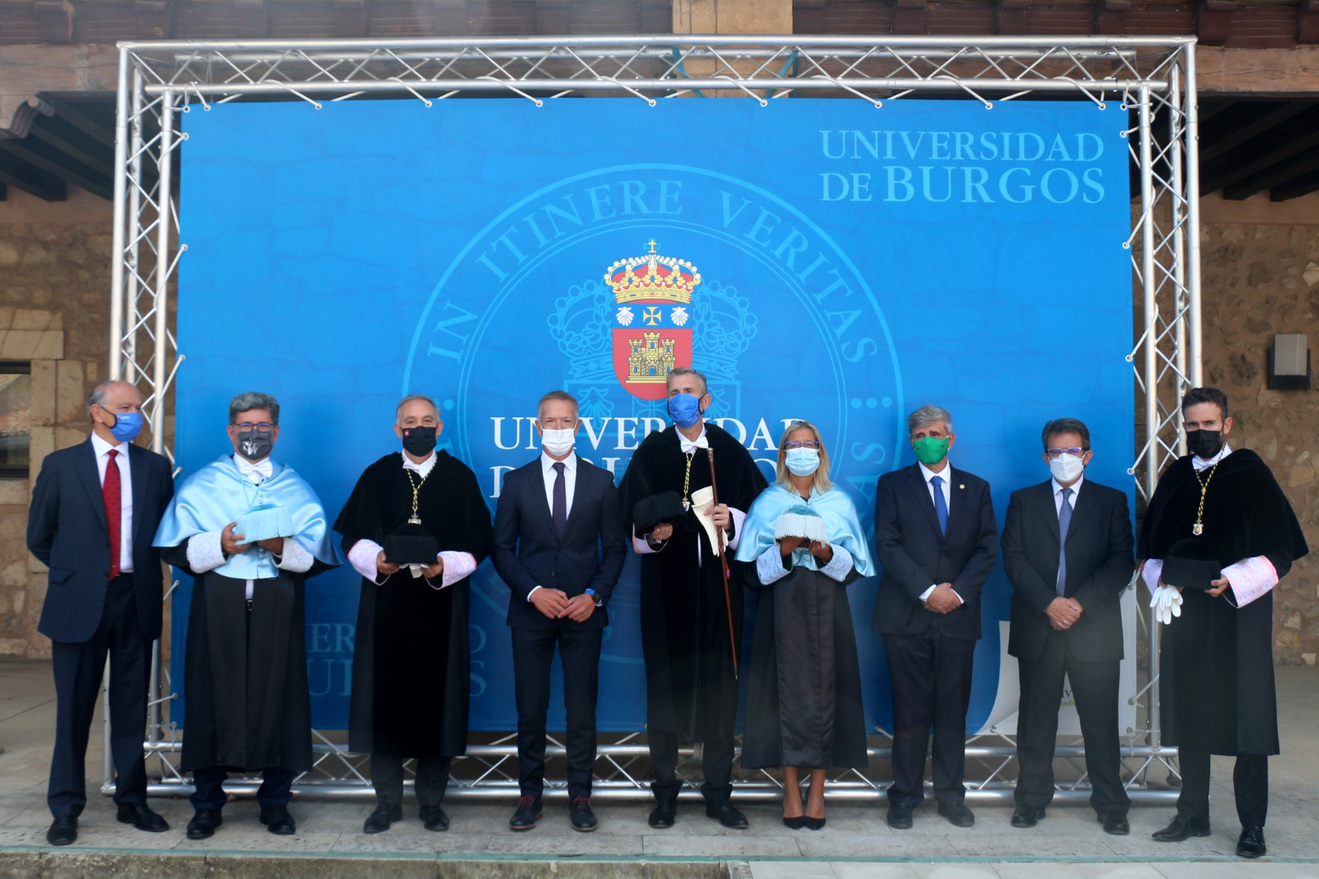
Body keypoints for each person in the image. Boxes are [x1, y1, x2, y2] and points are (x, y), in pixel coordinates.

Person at [154, 392, 340, 840]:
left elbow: (316, 557)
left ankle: (275, 803)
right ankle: (207, 805)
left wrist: (279, 547)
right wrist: (220, 542)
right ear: (230, 431)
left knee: (280, 696)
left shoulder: (295, 486)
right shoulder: (203, 484)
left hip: (278, 601)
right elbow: (175, 549)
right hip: (219, 600)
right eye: (245, 426)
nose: (253, 434)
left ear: (276, 432)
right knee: (211, 695)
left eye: (262, 427)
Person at [1139, 387, 1308, 859]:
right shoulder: (1174, 477)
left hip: (1239, 616)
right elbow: (1149, 550)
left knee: (1247, 717)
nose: (1200, 433)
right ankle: (1192, 813)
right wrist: (1164, 583)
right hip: (1188, 619)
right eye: (1191, 426)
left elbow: (1281, 552)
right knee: (1191, 713)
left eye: (1208, 425)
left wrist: (1234, 580)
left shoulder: (1251, 473)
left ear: (1227, 425)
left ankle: (1252, 824)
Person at [335, 395, 493, 834]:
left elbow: (479, 542)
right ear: (397, 428)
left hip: (440, 604)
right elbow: (353, 537)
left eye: (427, 421)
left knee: (437, 703)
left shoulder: (460, 478)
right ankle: (386, 803)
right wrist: (377, 562)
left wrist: (446, 566)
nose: (418, 428)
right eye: (410, 422)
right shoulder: (377, 474)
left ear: (439, 429)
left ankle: (431, 803)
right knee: (382, 703)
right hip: (387, 606)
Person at [26, 381, 174, 846]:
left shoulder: (154, 468)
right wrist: (81, 574)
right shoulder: (61, 466)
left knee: (132, 706)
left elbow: (165, 532)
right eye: (125, 407)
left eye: (139, 407)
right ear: (98, 413)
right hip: (79, 602)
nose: (136, 414)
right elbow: (39, 536)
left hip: (135, 597)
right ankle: (66, 807)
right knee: (74, 708)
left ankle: (132, 800)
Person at [618, 367, 767, 829]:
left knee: (721, 691)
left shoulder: (728, 450)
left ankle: (718, 792)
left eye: (689, 393)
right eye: (673, 393)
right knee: (664, 691)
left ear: (706, 401)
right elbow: (628, 519)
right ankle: (664, 792)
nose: (680, 399)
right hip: (666, 593)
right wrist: (654, 533)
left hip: (719, 592)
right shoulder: (653, 451)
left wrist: (734, 519)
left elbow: (762, 512)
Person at [491, 390, 627, 832]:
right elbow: (500, 548)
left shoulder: (601, 483)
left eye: (566, 421)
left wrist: (594, 596)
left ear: (580, 427)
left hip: (584, 614)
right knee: (531, 708)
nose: (558, 428)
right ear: (537, 428)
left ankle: (581, 797)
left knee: (581, 709)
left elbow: (616, 549)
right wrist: (532, 592)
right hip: (531, 614)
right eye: (550, 421)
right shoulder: (516, 482)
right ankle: (529, 795)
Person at [736, 421, 873, 830]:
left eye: (807, 444)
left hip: (829, 610)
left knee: (827, 696)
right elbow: (749, 575)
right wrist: (784, 549)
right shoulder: (767, 502)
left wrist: (826, 552)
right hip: (780, 610)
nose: (800, 451)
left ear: (820, 450)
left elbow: (855, 571)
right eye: (791, 445)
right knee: (785, 699)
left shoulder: (840, 503)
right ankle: (791, 791)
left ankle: (818, 791)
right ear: (782, 455)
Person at [1002, 418, 1134, 835]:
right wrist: (1050, 603)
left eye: (1072, 452)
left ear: (1087, 456)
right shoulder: (1024, 501)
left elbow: (1121, 562)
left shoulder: (1111, 501)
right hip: (1040, 625)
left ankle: (1111, 803)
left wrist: (1077, 604)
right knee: (1036, 721)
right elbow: (1014, 559)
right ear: (1045, 457)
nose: (1064, 460)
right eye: (1056, 453)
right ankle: (1031, 800)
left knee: (1100, 723)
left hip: (1092, 627)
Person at [874, 404, 997, 830]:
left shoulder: (976, 488)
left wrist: (956, 593)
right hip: (907, 617)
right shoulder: (892, 486)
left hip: (958, 618)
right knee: (909, 713)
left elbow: (987, 549)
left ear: (952, 438)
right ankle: (904, 797)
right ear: (912, 442)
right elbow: (887, 545)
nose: (929, 439)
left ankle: (950, 796)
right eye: (921, 434)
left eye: (937, 432)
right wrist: (927, 591)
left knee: (951, 712)